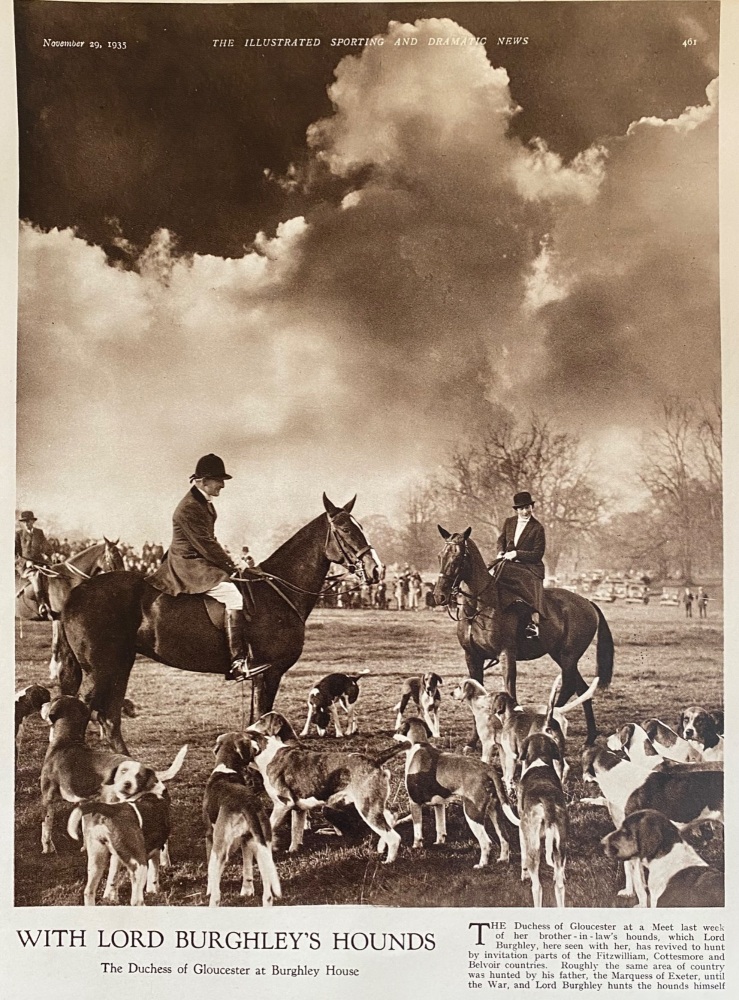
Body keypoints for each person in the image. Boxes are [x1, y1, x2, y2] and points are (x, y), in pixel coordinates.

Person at [149, 454, 252, 681]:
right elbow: (205, 544)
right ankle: (237, 661)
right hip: (188, 563)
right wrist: (231, 564)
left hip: (198, 558)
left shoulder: (204, 504)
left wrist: (231, 559)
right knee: (233, 596)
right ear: (203, 481)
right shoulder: (189, 507)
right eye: (218, 480)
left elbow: (210, 540)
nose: (222, 485)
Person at [495, 491, 546, 639]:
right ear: (516, 510)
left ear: (532, 507)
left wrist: (517, 554)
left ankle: (532, 622)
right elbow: (501, 540)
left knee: (523, 584)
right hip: (508, 563)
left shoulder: (537, 528)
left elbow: (538, 554)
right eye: (521, 508)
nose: (525, 511)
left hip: (530, 567)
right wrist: (500, 552)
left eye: (527, 507)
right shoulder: (509, 522)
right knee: (492, 574)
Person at [15, 510, 52, 616]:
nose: (27, 523)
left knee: (52, 574)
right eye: (24, 521)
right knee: (35, 577)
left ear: (33, 521)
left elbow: (46, 546)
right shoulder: (18, 534)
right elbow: (15, 554)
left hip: (40, 562)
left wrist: (52, 555)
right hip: (25, 566)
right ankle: (42, 605)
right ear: (22, 523)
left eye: (29, 521)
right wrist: (25, 561)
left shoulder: (39, 532)